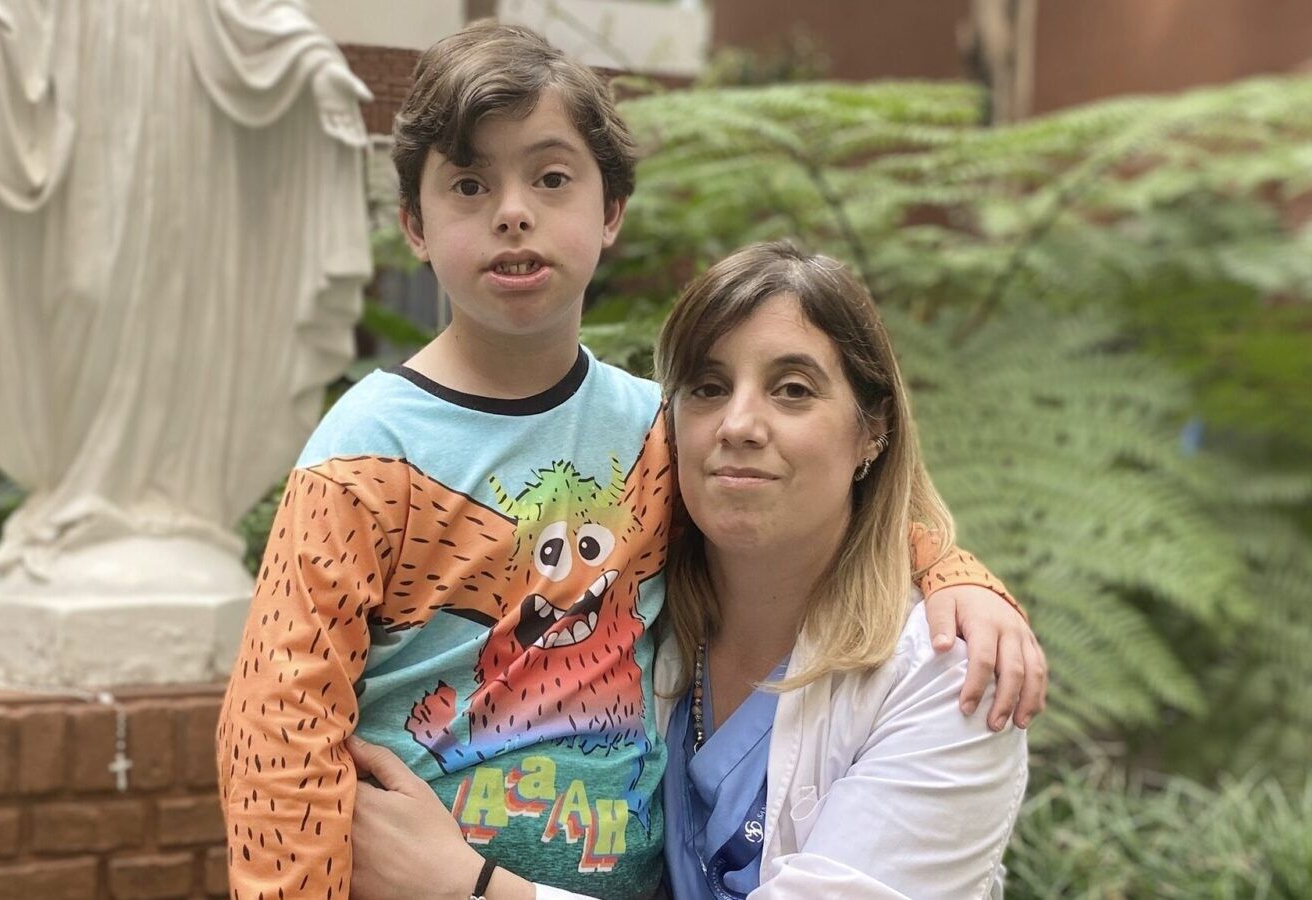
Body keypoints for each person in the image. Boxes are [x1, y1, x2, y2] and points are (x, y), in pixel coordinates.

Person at [217, 23, 1045, 900]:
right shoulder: (364, 453)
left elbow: (828, 513)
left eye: (551, 177)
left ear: (610, 212)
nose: (512, 210)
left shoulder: (658, 430)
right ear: (414, 226)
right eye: (469, 183)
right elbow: (280, 719)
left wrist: (952, 572)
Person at [346, 243, 1033, 899]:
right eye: (707, 387)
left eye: (792, 390)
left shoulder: (951, 676)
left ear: (872, 429)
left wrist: (470, 886)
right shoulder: (636, 603)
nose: (738, 423)